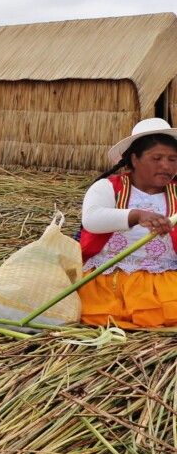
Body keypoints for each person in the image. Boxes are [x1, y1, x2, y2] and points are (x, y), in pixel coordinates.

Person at [78, 117, 177, 328]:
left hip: (163, 280)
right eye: (157, 158)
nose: (166, 166)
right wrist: (136, 216)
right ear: (134, 159)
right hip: (107, 279)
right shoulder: (107, 187)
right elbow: (92, 220)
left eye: (173, 159)